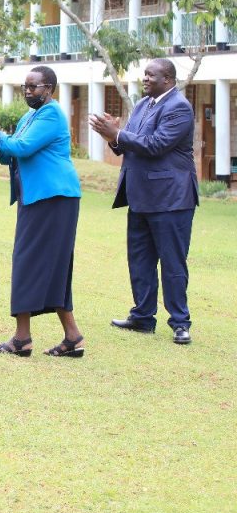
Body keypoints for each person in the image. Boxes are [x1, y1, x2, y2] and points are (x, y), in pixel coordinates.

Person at [0, 66, 85, 357]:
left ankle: (22, 339)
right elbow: (11, 153)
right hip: (38, 197)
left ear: (49, 88)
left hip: (54, 197)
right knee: (51, 265)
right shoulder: (30, 116)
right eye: (25, 86)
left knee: (28, 261)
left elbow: (22, 147)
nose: (27, 91)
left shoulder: (51, 114)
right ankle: (72, 337)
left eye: (33, 87)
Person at [89, 58, 198, 345]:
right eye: (145, 74)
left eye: (152, 75)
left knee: (173, 262)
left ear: (169, 79)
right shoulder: (141, 105)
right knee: (140, 260)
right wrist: (112, 138)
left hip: (171, 199)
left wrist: (119, 134)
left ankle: (180, 323)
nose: (145, 78)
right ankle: (142, 317)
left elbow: (156, 145)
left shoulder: (179, 108)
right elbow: (130, 142)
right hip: (139, 196)